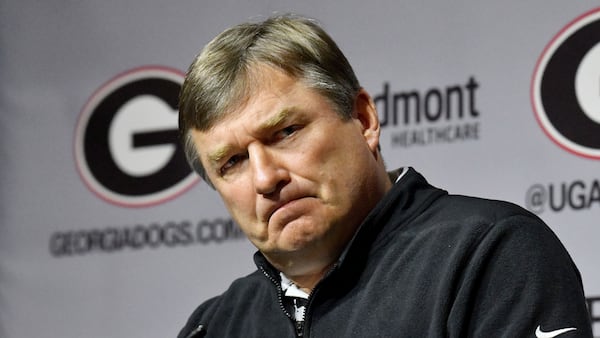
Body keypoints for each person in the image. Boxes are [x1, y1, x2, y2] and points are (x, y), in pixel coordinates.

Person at [176, 14, 593, 338]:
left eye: (286, 133)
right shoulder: (214, 325)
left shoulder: (488, 254)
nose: (265, 178)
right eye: (232, 162)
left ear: (363, 119)